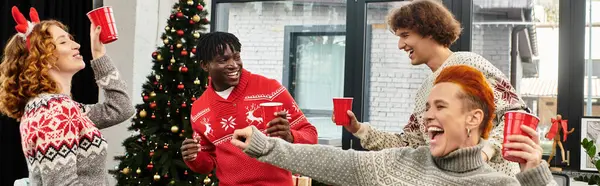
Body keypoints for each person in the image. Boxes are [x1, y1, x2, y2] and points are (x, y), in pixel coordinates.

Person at [231, 65, 556, 186]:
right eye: (427, 107)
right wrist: (268, 146)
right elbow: (336, 161)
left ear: (473, 118)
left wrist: (535, 175)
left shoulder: (499, 184)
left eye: (440, 106)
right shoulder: (400, 164)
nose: (428, 116)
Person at [339, 0, 528, 176]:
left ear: (428, 31)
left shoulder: (468, 64)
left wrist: (485, 153)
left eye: (405, 35)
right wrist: (359, 129)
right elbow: (409, 143)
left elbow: (518, 115)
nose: (400, 45)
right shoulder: (424, 91)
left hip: (492, 178)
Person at [0, 7, 135, 185]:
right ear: (42, 58)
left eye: (71, 39)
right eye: (63, 42)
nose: (77, 45)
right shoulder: (55, 111)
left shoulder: (59, 108)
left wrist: (99, 55)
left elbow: (120, 108)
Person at [180, 32, 318, 185]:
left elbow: (311, 135)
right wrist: (193, 157)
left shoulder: (271, 90)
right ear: (205, 65)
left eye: (237, 57)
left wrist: (291, 136)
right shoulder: (200, 109)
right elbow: (207, 163)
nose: (233, 64)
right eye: (223, 60)